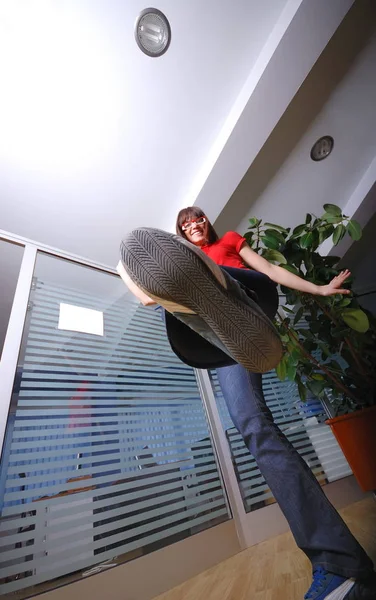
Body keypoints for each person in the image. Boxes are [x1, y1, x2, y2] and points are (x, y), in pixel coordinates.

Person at [118, 207, 376, 600]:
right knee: (249, 424)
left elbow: (269, 272)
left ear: (206, 225)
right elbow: (147, 301)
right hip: (215, 343)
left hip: (247, 300)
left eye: (198, 219)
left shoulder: (230, 241)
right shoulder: (171, 265)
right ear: (180, 233)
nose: (194, 225)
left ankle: (339, 563)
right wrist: (124, 269)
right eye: (186, 224)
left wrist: (320, 289)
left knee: (254, 425)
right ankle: (204, 300)